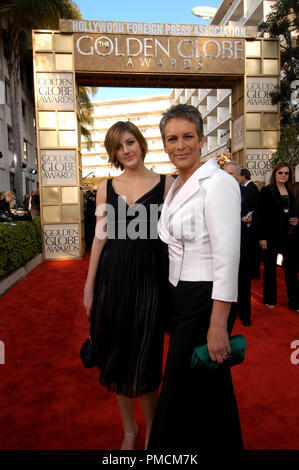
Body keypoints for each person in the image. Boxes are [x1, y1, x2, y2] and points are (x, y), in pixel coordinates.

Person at [148, 104, 243, 453]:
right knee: (207, 390)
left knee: (177, 391)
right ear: (164, 145)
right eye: (171, 139)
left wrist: (219, 323)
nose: (180, 145)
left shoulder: (217, 183)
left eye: (188, 136)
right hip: (180, 298)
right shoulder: (174, 186)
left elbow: (228, 258)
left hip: (206, 301)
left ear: (202, 140)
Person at [83, 121, 173, 450]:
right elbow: (100, 237)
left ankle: (152, 431)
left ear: (141, 143)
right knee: (117, 357)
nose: (126, 151)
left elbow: (175, 237)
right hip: (113, 280)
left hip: (151, 281)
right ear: (114, 154)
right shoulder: (106, 186)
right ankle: (129, 430)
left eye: (130, 142)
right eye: (119, 147)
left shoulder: (166, 184)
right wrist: (89, 287)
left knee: (146, 359)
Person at [258, 162, 299, 312]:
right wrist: (262, 237)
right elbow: (260, 215)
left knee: (291, 270)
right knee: (270, 268)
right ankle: (270, 299)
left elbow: (293, 211)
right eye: (280, 173)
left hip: (290, 234)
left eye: (286, 173)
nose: (283, 176)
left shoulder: (291, 190)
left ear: (290, 175)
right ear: (275, 174)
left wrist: (297, 220)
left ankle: (295, 302)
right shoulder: (266, 191)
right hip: (272, 235)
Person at [223, 163, 257, 326]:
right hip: (221, 243)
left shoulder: (248, 192)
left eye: (231, 174)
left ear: (238, 175)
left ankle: (244, 314)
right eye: (225, 173)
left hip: (242, 242)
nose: (227, 177)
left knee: (243, 280)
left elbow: (257, 212)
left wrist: (251, 219)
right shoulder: (214, 193)